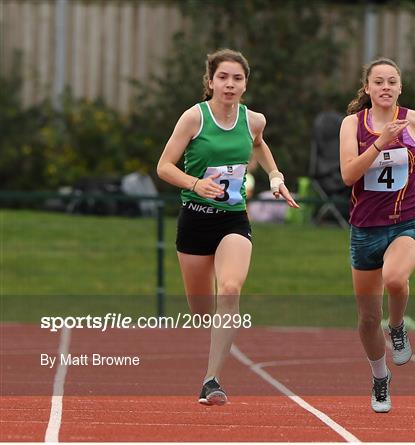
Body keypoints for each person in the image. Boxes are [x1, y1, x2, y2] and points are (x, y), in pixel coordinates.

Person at [157, 49, 299, 406]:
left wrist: (276, 175)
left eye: (237, 78)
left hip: (233, 218)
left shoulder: (253, 120)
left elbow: (259, 145)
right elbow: (164, 166)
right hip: (194, 219)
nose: (230, 84)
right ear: (210, 82)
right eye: (223, 77)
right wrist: (194, 183)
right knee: (202, 312)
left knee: (231, 288)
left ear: (245, 84)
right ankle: (212, 360)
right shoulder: (194, 118)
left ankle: (212, 380)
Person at [339, 58, 415, 413]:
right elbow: (347, 175)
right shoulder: (351, 125)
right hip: (365, 231)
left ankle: (399, 324)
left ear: (400, 88)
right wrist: (379, 144)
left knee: (395, 277)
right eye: (379, 82)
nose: (386, 87)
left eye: (392, 81)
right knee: (367, 320)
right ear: (368, 89)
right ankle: (379, 377)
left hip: (407, 222)